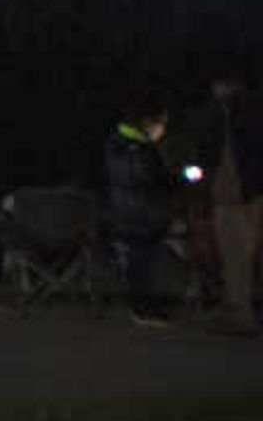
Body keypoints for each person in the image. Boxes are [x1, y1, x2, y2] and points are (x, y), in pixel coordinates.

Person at [178, 67, 259, 338]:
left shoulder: (229, 114)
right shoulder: (223, 114)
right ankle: (239, 311)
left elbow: (202, 154)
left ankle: (240, 313)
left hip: (238, 192)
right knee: (238, 254)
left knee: (237, 254)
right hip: (235, 192)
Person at [103, 105, 180, 329]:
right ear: (147, 122)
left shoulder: (125, 143)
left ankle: (145, 306)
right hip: (139, 213)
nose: (162, 129)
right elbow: (145, 179)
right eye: (161, 124)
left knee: (142, 262)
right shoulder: (134, 147)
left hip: (133, 211)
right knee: (140, 262)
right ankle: (142, 309)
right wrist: (171, 180)